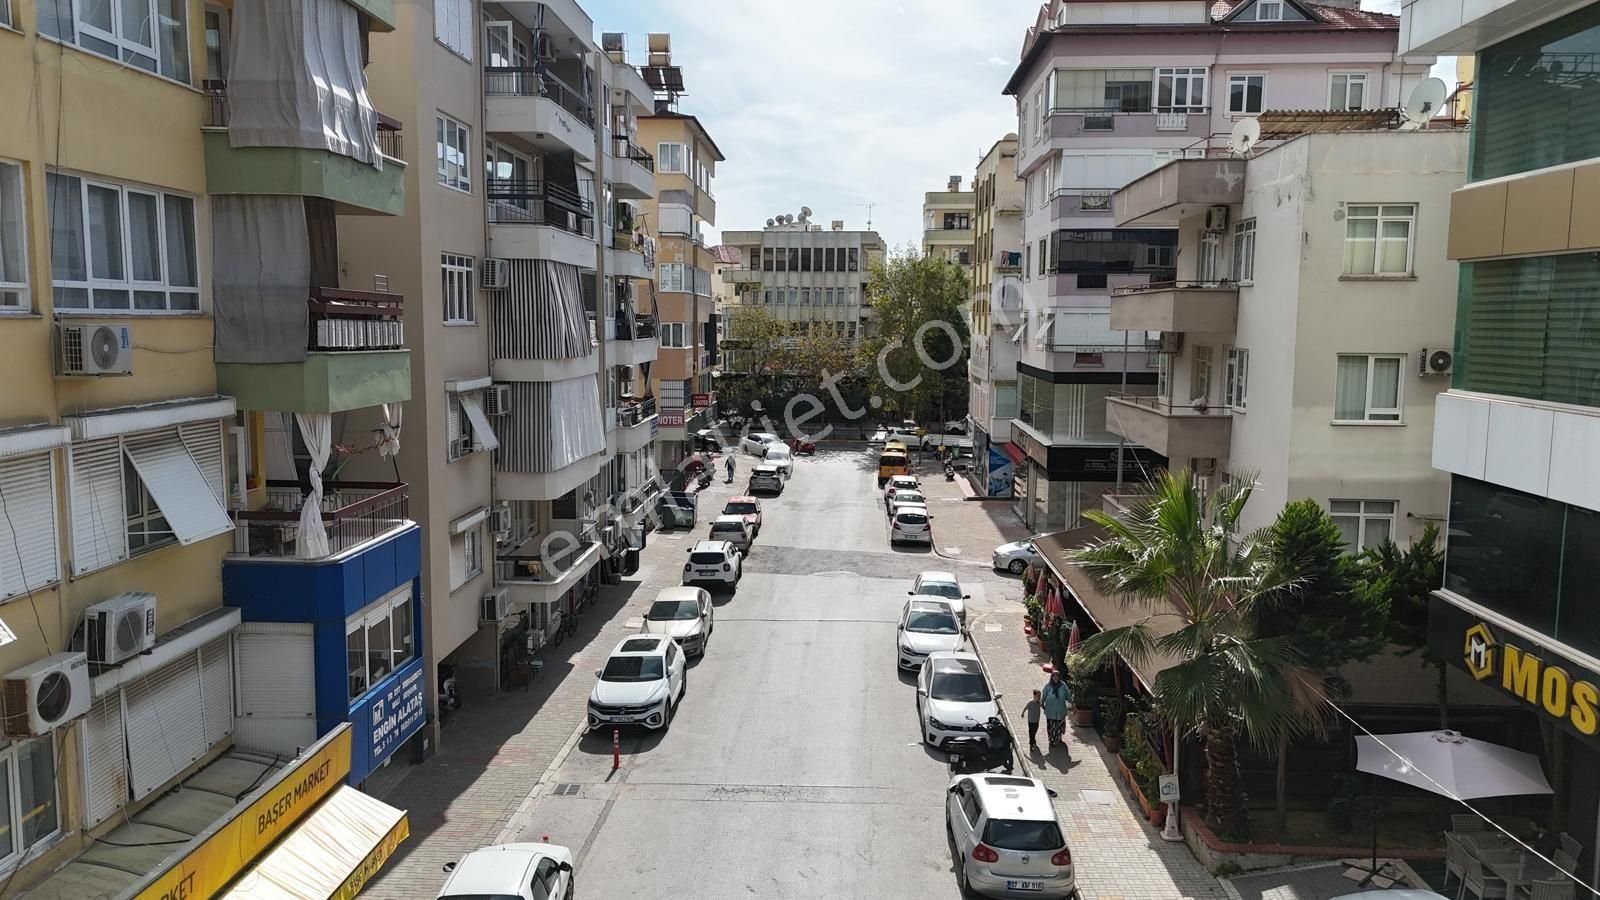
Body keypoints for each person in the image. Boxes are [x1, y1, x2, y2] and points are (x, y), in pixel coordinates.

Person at [1041, 669, 1072, 754]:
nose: (1055, 678)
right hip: (1050, 711)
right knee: (1051, 726)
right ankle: (1052, 741)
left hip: (1060, 710)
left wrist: (1072, 702)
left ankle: (1057, 738)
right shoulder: (1048, 686)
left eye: (1057, 676)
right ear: (1051, 677)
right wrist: (1042, 704)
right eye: (1054, 676)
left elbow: (1068, 695)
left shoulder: (1063, 685)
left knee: (1058, 726)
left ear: (1059, 677)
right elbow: (1043, 696)